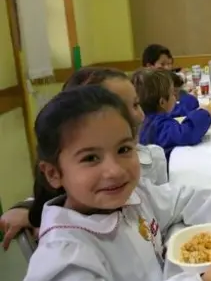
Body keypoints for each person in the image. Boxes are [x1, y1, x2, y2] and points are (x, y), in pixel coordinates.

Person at [21, 85, 211, 281]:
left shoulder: (135, 198)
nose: (114, 170)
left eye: (124, 149)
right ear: (53, 173)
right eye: (91, 158)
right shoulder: (63, 257)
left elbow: (179, 199)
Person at [0, 67, 169, 250]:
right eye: (90, 158)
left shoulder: (142, 162)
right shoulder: (66, 255)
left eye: (136, 104)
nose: (137, 116)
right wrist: (27, 211)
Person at [133, 68, 211, 159]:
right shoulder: (159, 126)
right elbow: (186, 133)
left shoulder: (146, 120)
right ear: (162, 102)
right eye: (172, 94)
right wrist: (204, 113)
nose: (176, 97)